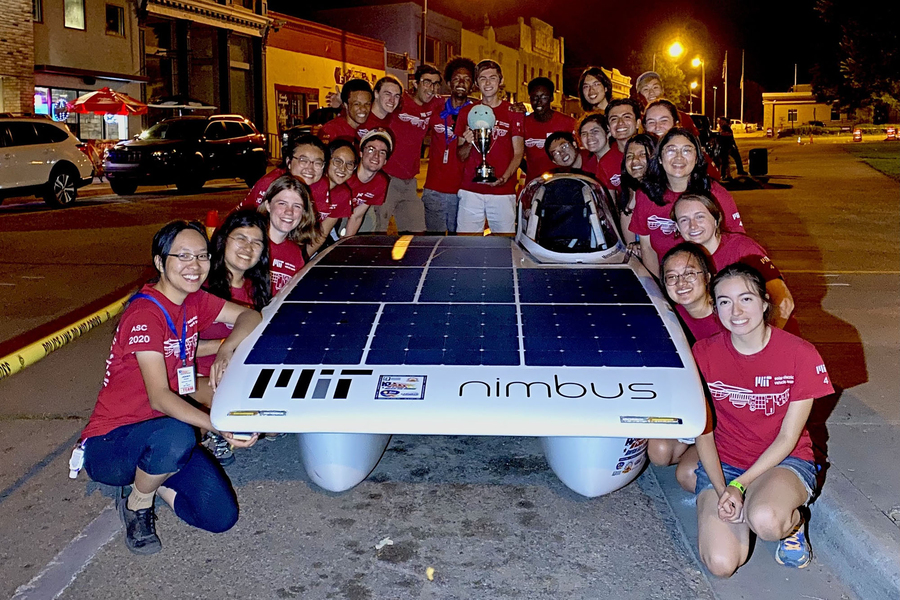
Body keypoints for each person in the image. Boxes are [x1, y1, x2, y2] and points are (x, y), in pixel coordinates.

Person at [79, 220, 261, 555]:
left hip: (161, 438)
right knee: (179, 433)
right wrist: (220, 425)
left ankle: (153, 476)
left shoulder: (193, 300)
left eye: (203, 256)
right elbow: (160, 398)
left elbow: (250, 318)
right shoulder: (145, 314)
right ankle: (137, 503)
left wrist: (225, 347)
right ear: (161, 262)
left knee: (220, 516)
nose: (195, 266)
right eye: (183, 256)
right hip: (112, 444)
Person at [692, 263, 834, 575]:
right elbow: (703, 433)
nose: (736, 311)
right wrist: (722, 490)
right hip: (726, 463)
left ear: (764, 301)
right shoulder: (702, 353)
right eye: (725, 302)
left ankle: (793, 524)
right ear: (715, 308)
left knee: (767, 520)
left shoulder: (800, 354)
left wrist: (740, 486)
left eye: (746, 299)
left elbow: (788, 438)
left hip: (784, 460)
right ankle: (738, 503)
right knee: (722, 564)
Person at [195, 210, 271, 463]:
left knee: (275, 421)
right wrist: (223, 347)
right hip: (196, 379)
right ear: (223, 240)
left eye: (256, 242)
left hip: (237, 376)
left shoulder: (258, 288)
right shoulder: (200, 286)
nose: (248, 248)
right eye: (241, 238)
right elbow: (179, 348)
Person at [648, 243, 725, 491]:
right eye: (672, 277)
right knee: (659, 452)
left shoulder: (730, 316)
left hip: (728, 416)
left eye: (690, 273)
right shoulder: (668, 317)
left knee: (689, 475)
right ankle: (697, 448)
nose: (681, 283)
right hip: (696, 410)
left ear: (708, 277)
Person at [630, 127, 744, 277]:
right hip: (670, 282)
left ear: (697, 158)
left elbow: (737, 243)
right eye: (671, 150)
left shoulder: (715, 193)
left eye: (686, 150)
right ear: (659, 158)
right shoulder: (646, 194)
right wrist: (659, 289)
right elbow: (647, 249)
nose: (679, 157)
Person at [672, 193, 796, 330]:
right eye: (684, 220)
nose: (693, 226)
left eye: (700, 217)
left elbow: (784, 302)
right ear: (677, 227)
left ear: (716, 219)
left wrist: (760, 343)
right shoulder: (682, 259)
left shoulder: (743, 249)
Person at [456, 59, 525, 235]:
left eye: (492, 78)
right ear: (476, 83)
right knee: (467, 244)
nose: (487, 83)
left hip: (503, 192)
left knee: (504, 245)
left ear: (500, 81)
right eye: (482, 78)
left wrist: (504, 177)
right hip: (471, 190)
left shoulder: (513, 112)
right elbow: (461, 155)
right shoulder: (467, 112)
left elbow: (518, 153)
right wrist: (469, 142)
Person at [377, 66, 443, 233]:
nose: (431, 88)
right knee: (376, 232)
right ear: (415, 83)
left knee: (417, 234)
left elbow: (460, 101)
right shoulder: (400, 101)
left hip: (410, 182)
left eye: (435, 84)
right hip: (386, 179)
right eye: (427, 82)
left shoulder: (434, 103)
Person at [423, 57, 475, 234]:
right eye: (456, 78)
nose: (461, 83)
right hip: (433, 189)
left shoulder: (476, 113)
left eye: (467, 79)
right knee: (433, 241)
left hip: (462, 191)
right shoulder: (435, 106)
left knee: (456, 241)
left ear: (472, 85)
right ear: (448, 82)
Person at [260, 175, 319, 294]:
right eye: (282, 203)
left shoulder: (296, 255)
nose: (289, 212)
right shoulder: (250, 243)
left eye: (297, 206)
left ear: (303, 212)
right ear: (268, 205)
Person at [523, 76, 576, 183]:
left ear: (551, 98)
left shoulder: (569, 123)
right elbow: (516, 154)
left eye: (543, 97)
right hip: (535, 185)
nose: (539, 102)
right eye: (534, 98)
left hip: (563, 183)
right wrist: (531, 172)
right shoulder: (523, 122)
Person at [345, 129, 392, 236]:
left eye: (382, 152)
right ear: (361, 153)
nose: (376, 156)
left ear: (385, 161)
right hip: (328, 215)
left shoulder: (380, 182)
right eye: (371, 149)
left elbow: (357, 216)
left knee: (369, 224)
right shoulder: (346, 173)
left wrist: (346, 243)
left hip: (350, 214)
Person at [634, 71, 700, 137]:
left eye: (655, 87)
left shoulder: (683, 118)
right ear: (639, 95)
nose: (651, 92)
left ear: (662, 90)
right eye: (645, 89)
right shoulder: (636, 122)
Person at [619, 133, 656, 246]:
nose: (635, 160)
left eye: (642, 154)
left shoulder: (666, 194)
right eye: (629, 156)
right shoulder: (630, 192)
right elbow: (630, 245)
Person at [319, 79, 374, 144]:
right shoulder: (331, 131)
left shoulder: (372, 129)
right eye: (357, 104)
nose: (363, 109)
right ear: (346, 105)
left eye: (367, 104)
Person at [579, 113, 619, 195]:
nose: (589, 137)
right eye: (584, 134)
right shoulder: (588, 166)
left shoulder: (621, 157)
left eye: (595, 131)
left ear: (608, 133)